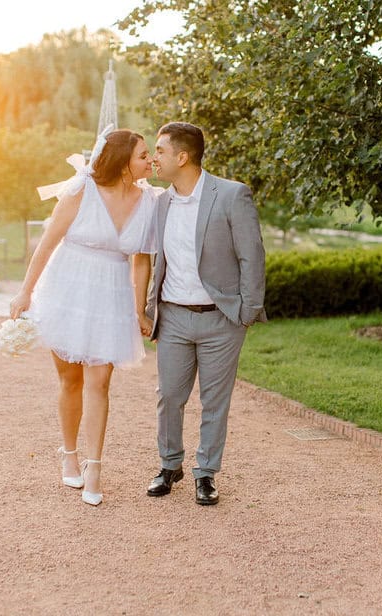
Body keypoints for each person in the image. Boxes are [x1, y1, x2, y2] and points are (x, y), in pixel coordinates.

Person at [10, 127, 159, 507]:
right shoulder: (82, 190)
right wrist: (25, 291)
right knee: (70, 379)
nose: (150, 160)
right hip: (67, 289)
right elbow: (46, 244)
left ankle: (94, 468)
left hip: (111, 296)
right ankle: (69, 454)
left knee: (100, 382)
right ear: (125, 161)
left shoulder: (149, 202)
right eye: (143, 155)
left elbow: (142, 260)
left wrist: (139, 308)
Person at [145, 122, 266, 506]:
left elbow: (252, 255)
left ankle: (206, 473)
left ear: (182, 157)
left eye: (160, 150)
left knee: (215, 402)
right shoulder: (159, 202)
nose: (154, 157)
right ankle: (170, 465)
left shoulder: (231, 195)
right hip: (174, 317)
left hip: (222, 319)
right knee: (169, 397)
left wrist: (247, 310)